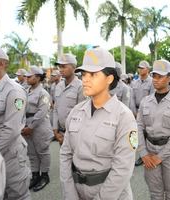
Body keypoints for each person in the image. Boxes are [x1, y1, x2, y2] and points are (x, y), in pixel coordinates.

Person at [60, 48, 138, 200]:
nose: (85, 79)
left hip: (110, 193)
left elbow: (122, 169)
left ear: (109, 78)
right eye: (83, 74)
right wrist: (69, 194)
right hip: (77, 191)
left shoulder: (124, 117)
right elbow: (65, 155)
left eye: (93, 74)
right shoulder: (76, 111)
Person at [137, 59, 170, 200]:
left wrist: (159, 157)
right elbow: (137, 129)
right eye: (154, 76)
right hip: (149, 151)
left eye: (160, 76)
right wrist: (143, 154)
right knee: (155, 193)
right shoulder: (145, 102)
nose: (156, 80)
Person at [0, 44, 31, 200]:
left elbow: (11, 130)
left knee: (16, 196)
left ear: (1, 64)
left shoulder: (14, 91)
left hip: (9, 156)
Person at [22, 66, 54, 192]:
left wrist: (30, 126)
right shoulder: (25, 91)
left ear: (38, 77)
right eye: (27, 76)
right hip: (26, 125)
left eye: (30, 76)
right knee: (32, 153)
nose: (27, 78)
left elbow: (42, 112)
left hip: (39, 126)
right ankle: (35, 175)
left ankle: (45, 176)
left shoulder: (43, 93)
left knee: (42, 152)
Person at [53, 53, 86, 145]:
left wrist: (70, 135)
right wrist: (55, 130)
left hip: (75, 133)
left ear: (74, 68)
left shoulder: (80, 86)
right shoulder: (59, 86)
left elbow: (82, 113)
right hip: (61, 132)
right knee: (63, 159)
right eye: (60, 67)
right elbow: (56, 109)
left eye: (64, 67)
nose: (61, 70)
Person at [131, 60, 155, 166]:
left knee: (146, 133)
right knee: (138, 133)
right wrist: (134, 111)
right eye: (139, 68)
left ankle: (145, 154)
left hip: (147, 111)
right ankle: (140, 154)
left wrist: (143, 112)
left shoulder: (151, 82)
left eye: (142, 68)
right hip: (136, 111)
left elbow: (151, 98)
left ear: (147, 69)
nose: (140, 70)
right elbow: (131, 98)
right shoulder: (134, 82)